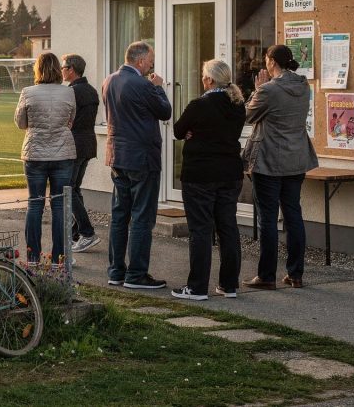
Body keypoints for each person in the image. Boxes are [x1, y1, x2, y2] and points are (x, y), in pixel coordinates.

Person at [242, 44, 319, 290]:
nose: (264, 62)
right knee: (293, 215)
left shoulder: (269, 90)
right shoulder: (303, 85)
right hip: (296, 158)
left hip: (269, 161)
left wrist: (257, 90)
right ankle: (295, 274)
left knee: (267, 219)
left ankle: (266, 276)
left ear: (272, 61)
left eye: (266, 58)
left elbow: (248, 115)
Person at [170, 59, 245, 301]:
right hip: (230, 173)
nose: (202, 80)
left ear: (210, 80)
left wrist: (193, 132)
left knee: (201, 230)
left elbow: (179, 130)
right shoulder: (237, 105)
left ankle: (197, 287)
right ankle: (229, 285)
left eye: (204, 76)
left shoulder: (199, 105)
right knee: (228, 228)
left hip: (200, 175)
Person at [101, 41, 172, 289]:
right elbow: (165, 112)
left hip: (117, 156)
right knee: (142, 216)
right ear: (140, 61)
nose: (152, 65)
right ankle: (136, 275)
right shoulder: (143, 84)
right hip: (142, 158)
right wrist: (159, 88)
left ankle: (116, 271)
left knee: (120, 215)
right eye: (150, 60)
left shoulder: (109, 80)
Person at [15, 53, 76, 267]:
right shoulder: (68, 93)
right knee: (59, 206)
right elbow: (71, 120)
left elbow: (21, 123)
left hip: (35, 153)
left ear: (37, 70)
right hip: (62, 154)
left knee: (35, 204)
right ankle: (59, 257)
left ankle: (32, 257)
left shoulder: (28, 92)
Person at [62, 53, 101, 253]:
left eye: (63, 67)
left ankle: (87, 232)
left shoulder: (72, 93)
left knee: (68, 189)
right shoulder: (91, 90)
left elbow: (68, 120)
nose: (61, 71)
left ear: (71, 70)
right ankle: (77, 233)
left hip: (75, 145)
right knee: (75, 189)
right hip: (88, 145)